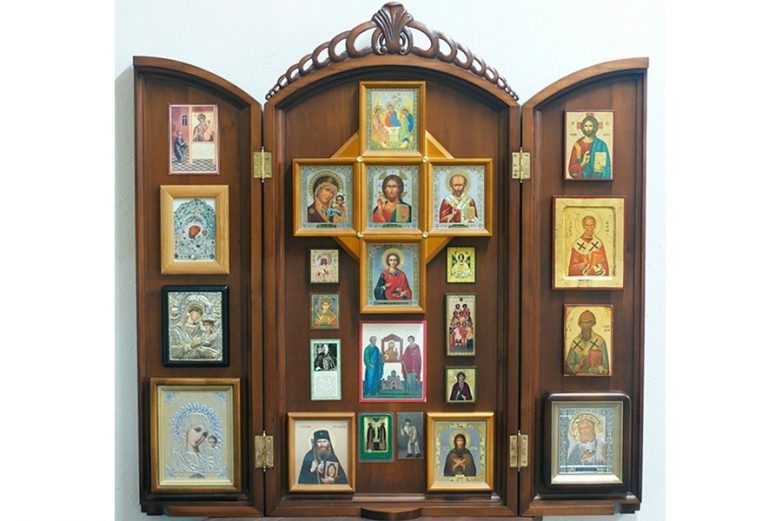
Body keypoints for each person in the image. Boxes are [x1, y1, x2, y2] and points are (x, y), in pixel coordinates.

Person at [169, 412, 215, 478]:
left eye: (204, 434)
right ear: (186, 429)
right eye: (197, 430)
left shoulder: (206, 460)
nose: (200, 437)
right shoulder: (176, 457)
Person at [565, 310, 610, 375]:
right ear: (579, 325)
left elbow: (606, 368)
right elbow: (568, 366)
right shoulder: (575, 342)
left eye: (588, 323)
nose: (585, 326)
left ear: (593, 324)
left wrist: (594, 370)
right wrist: (576, 367)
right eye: (583, 323)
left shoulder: (600, 341)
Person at [568, 114, 611, 179]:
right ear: (583, 127)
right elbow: (572, 170)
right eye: (586, 126)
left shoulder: (602, 145)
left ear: (595, 127)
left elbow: (607, 168)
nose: (588, 128)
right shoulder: (578, 146)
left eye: (590, 126)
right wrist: (583, 163)